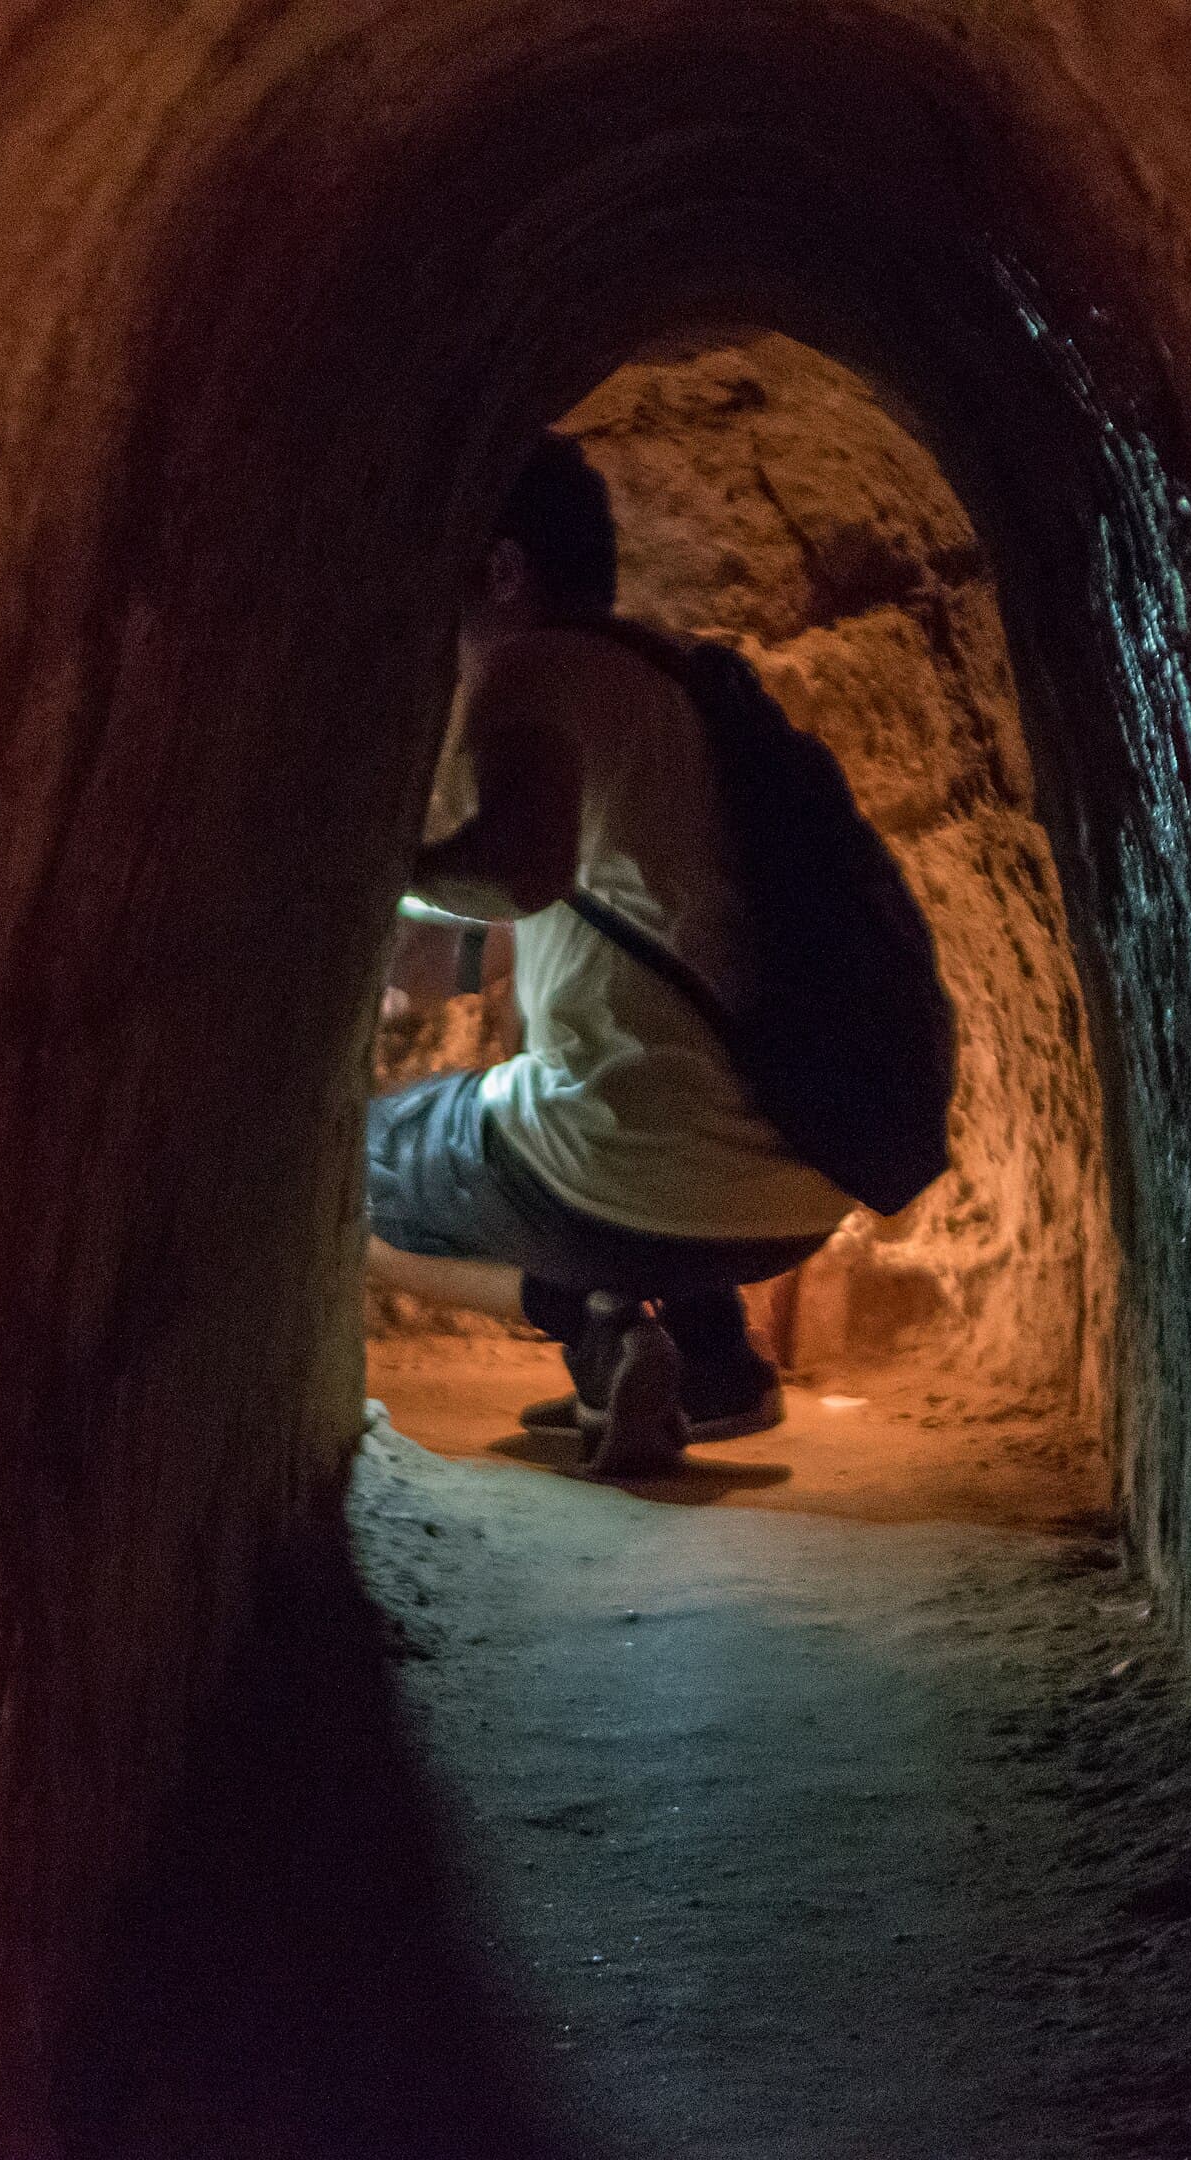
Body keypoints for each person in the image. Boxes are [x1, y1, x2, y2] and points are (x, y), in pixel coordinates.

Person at [363, 433, 855, 1472]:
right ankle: (712, 1361)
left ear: (502, 569)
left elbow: (518, 872)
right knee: (648, 1097)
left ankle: (595, 1325)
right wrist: (431, 957)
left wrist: (367, 872)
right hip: (807, 1186)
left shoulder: (529, 670)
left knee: (343, 1170)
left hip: (631, 1179)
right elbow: (553, 916)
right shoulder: (674, 685)